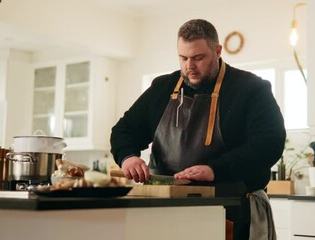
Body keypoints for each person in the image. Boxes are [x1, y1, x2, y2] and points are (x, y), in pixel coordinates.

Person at [111, 19, 285, 240]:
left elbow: (269, 143)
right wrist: (128, 158)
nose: (189, 66)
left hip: (231, 212)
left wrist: (215, 169)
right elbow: (124, 130)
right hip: (164, 214)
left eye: (198, 58)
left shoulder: (252, 89)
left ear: (218, 51)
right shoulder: (161, 88)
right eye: (183, 58)